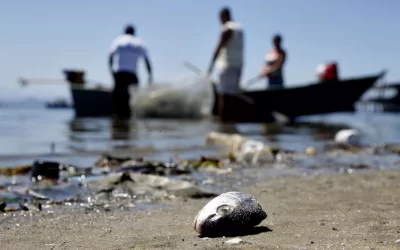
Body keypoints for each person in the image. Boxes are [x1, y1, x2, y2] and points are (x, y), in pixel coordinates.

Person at [208, 7, 244, 122]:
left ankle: (223, 125)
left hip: (226, 66)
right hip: (238, 65)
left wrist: (210, 65)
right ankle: (231, 124)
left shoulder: (227, 28)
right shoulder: (239, 28)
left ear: (224, 16)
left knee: (223, 96)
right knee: (232, 97)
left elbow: (219, 46)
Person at [108, 24, 153, 120]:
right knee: (132, 99)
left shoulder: (118, 40)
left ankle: (117, 120)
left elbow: (111, 56)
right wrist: (150, 75)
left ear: (125, 31)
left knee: (118, 99)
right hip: (132, 75)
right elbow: (146, 60)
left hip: (120, 74)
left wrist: (111, 71)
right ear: (134, 32)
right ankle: (129, 121)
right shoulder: (139, 42)